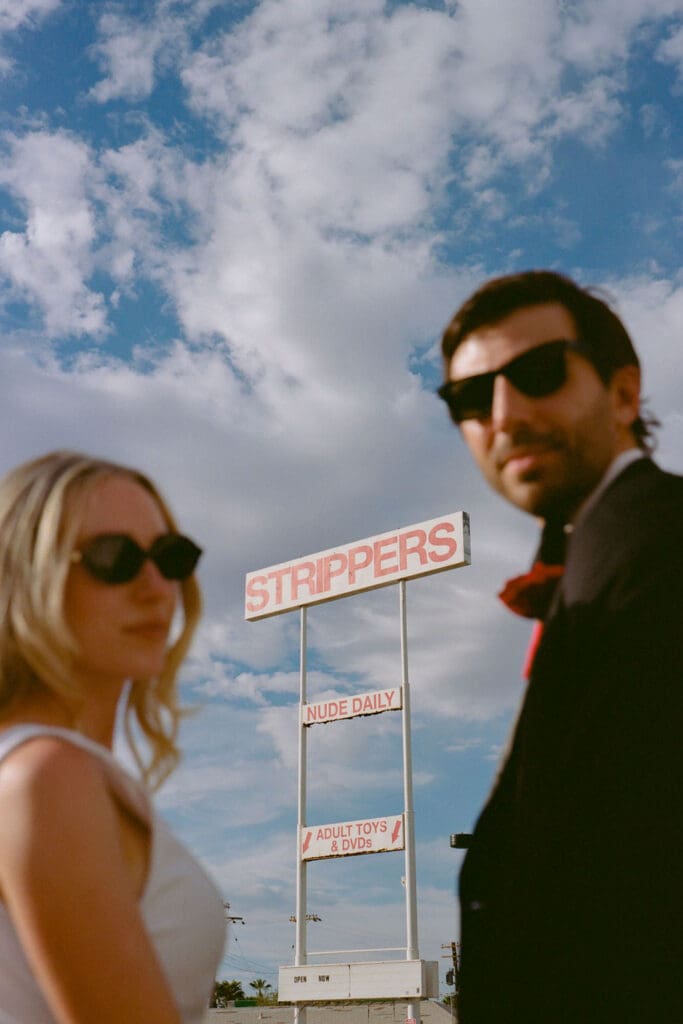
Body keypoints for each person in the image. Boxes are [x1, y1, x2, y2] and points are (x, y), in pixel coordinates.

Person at [436, 270, 683, 1023]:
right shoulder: (591, 565)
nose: (503, 417)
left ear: (621, 393)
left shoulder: (661, 549)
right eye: (471, 401)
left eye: (537, 373)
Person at [0, 451, 226, 1023]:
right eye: (114, 558)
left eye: (172, 557)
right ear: (25, 575)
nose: (156, 588)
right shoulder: (47, 776)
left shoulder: (46, 768)